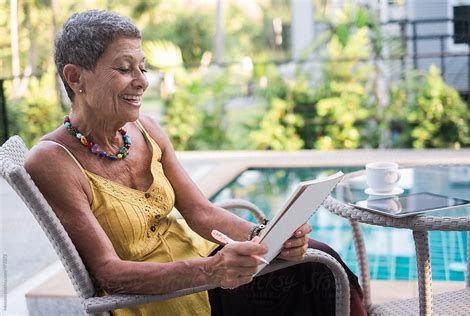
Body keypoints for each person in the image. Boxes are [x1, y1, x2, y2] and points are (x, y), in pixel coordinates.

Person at [25, 10, 366, 316]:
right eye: (124, 68)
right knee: (316, 274)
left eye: (142, 67)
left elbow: (200, 212)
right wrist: (212, 271)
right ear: (75, 78)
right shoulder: (54, 160)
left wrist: (265, 238)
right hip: (171, 296)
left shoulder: (145, 129)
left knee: (316, 256)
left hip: (207, 263)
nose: (142, 80)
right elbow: (108, 272)